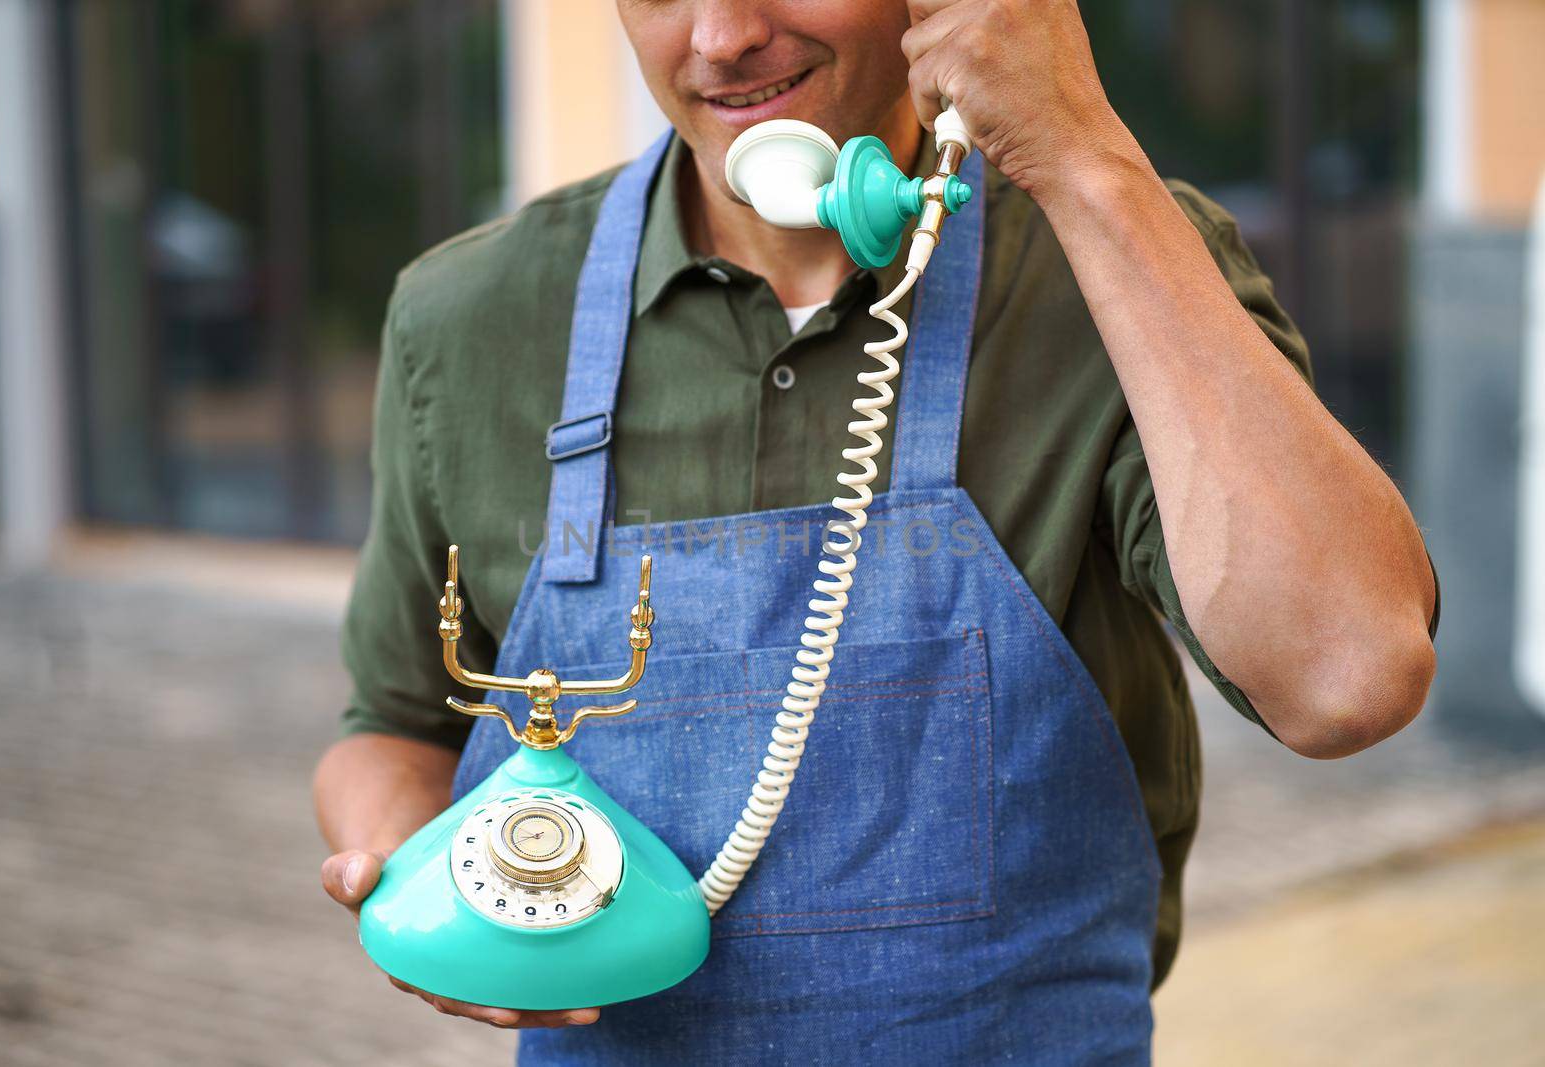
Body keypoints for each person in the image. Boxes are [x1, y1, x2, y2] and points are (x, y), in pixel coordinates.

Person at [314, 0, 1439, 1060]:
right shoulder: (471, 314)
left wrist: (1085, 155)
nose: (721, 37)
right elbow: (398, 722)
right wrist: (419, 884)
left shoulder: (1111, 268)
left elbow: (1346, 675)